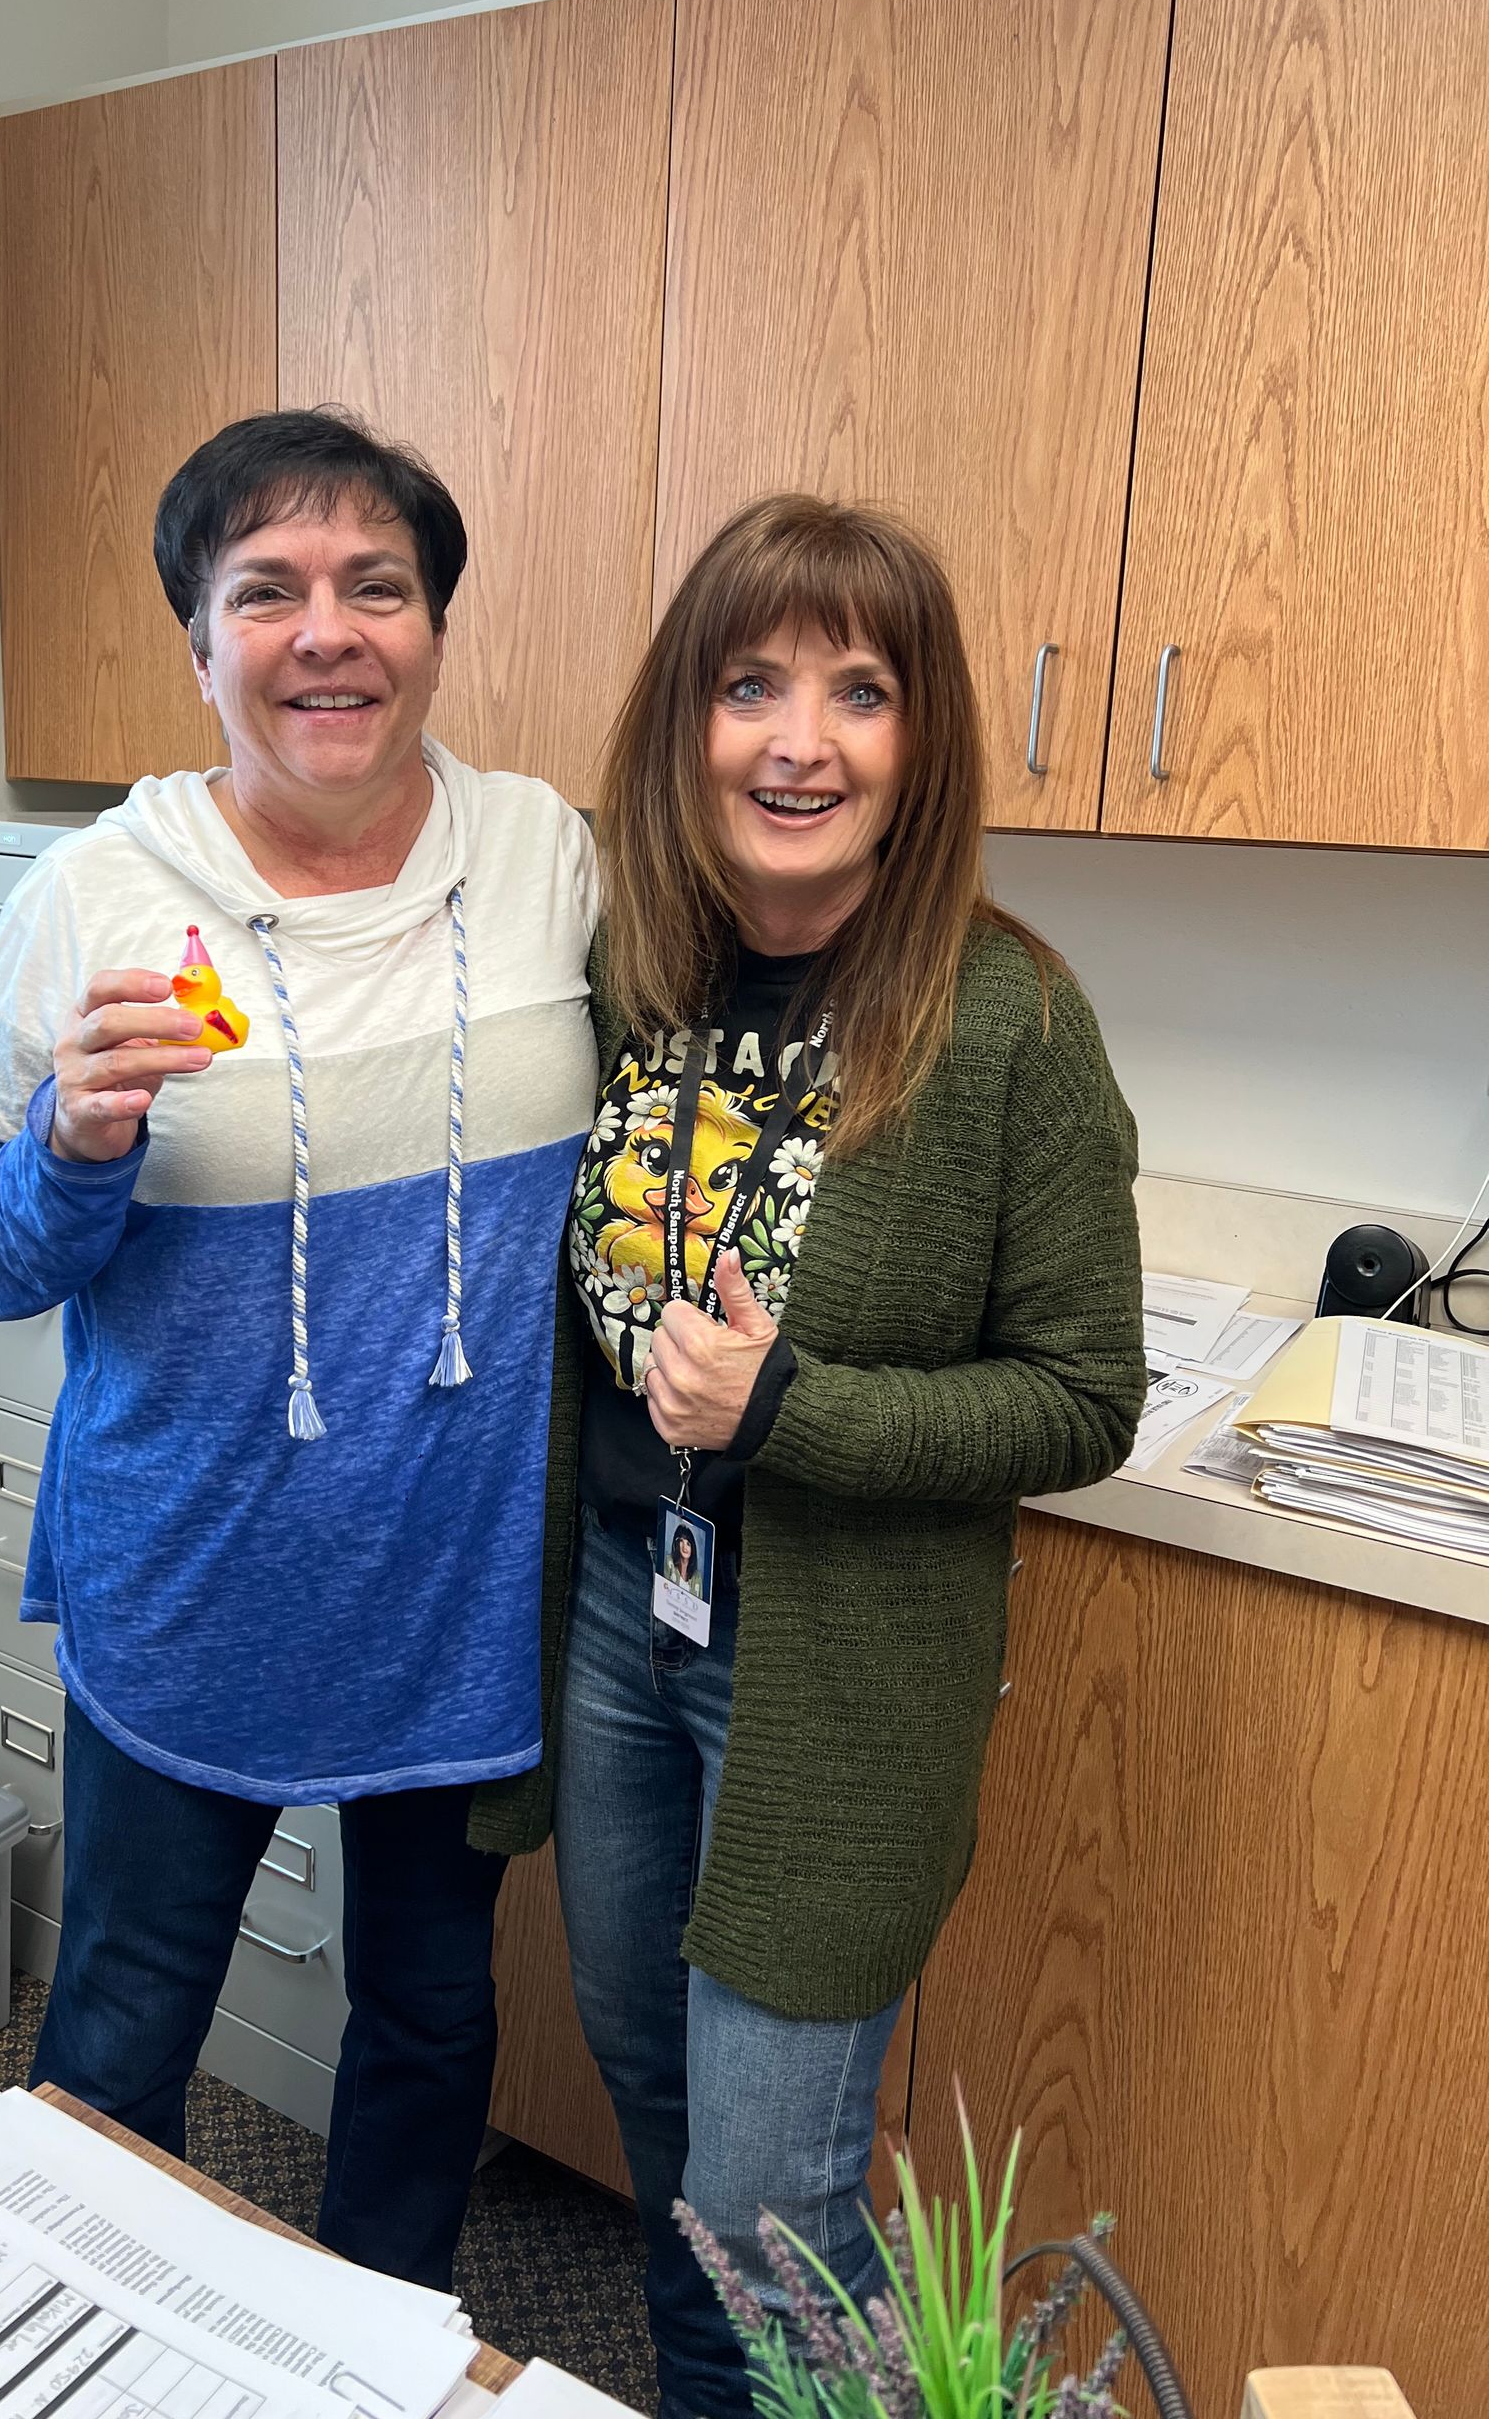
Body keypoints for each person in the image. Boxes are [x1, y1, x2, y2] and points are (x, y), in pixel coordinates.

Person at [472, 495, 1145, 2419]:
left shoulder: (1007, 1022)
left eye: (863, 691)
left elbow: (1084, 1396)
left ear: (918, 741)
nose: (802, 738)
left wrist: (796, 1414)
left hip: (833, 1677)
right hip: (622, 1620)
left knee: (777, 2201)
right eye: (753, 682)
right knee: (660, 2114)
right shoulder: (637, 977)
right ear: (687, 718)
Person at [0, 408, 598, 2288]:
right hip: (194, 1572)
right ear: (198, 642)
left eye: (376, 585)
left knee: (429, 2027)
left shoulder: (547, 857)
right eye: (268, 591)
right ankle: (90, 2346)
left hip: (450, 1589)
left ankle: (376, 2345)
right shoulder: (93, 902)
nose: (328, 631)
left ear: (435, 630)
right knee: (128, 2022)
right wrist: (72, 1150)